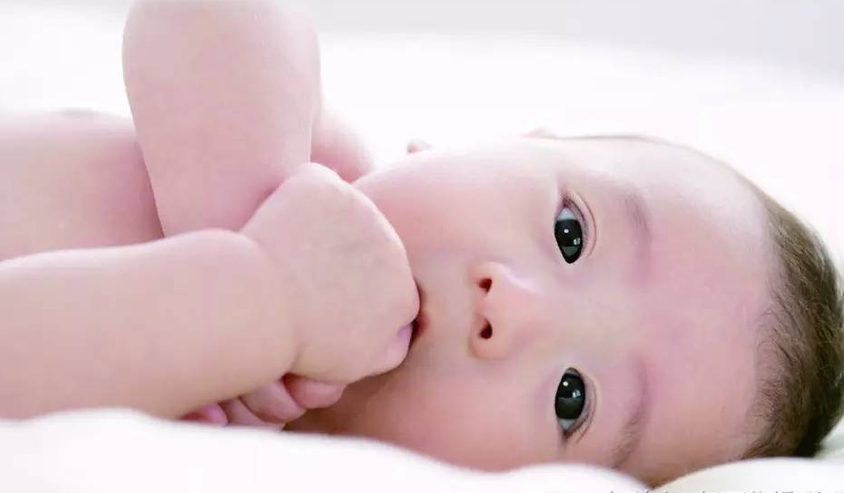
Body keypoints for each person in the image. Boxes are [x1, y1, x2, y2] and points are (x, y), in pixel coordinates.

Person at [0, 0, 841, 487]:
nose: (513, 306)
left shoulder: (238, 461)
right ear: (507, 141)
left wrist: (262, 301)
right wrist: (247, 209)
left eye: (571, 399)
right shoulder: (310, 161)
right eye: (569, 233)